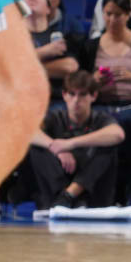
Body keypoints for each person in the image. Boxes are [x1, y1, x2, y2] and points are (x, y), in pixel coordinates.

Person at [70, 0, 131, 206]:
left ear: (128, 15)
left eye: (118, 15)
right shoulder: (91, 46)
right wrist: (93, 81)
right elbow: (79, 85)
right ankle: (98, 192)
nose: (112, 20)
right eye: (108, 14)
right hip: (102, 106)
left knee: (128, 121)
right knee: (106, 122)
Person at [15, 70, 124, 209]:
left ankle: (69, 195)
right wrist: (55, 148)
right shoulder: (56, 117)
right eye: (72, 94)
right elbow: (27, 132)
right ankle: (63, 197)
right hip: (57, 191)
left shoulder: (100, 118)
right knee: (37, 147)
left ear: (93, 96)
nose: (76, 100)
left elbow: (118, 134)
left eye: (82, 94)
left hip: (91, 193)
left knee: (108, 147)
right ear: (64, 95)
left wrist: (69, 144)